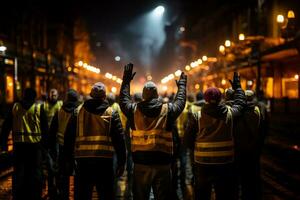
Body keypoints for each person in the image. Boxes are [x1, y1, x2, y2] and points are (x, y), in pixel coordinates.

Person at [119, 63, 187, 200]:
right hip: (162, 165)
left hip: (140, 165)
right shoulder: (167, 110)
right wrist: (182, 87)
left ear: (143, 95)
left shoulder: (133, 110)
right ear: (156, 95)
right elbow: (180, 103)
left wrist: (126, 81)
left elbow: (123, 100)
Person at [184, 72, 245, 200]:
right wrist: (238, 88)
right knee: (223, 194)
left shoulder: (197, 116)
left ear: (205, 99)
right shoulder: (229, 113)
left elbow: (188, 141)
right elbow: (240, 104)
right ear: (220, 98)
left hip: (202, 163)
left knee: (202, 194)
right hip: (225, 162)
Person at [66, 82, 126, 200]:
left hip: (83, 163)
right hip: (105, 163)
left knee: (83, 195)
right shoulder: (111, 113)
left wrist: (68, 159)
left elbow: (69, 137)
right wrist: (121, 161)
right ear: (104, 96)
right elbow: (119, 139)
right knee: (106, 195)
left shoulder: (78, 112)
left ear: (90, 95)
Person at [0, 88, 48, 200]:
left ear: (23, 95)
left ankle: (19, 195)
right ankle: (34, 195)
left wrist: (3, 143)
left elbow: (6, 126)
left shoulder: (15, 107)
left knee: (19, 172)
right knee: (35, 172)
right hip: (35, 147)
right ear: (35, 96)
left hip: (19, 146)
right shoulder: (38, 108)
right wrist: (45, 146)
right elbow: (45, 129)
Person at [48, 89, 81, 200]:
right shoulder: (80, 111)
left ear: (67, 98)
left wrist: (51, 149)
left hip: (62, 149)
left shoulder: (60, 111)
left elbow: (52, 132)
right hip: (78, 150)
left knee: (63, 176)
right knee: (78, 176)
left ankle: (64, 196)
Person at [234, 90, 262, 200]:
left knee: (243, 175)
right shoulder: (257, 109)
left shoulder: (240, 111)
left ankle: (245, 194)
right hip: (253, 146)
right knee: (253, 174)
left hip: (241, 147)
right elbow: (262, 126)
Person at [42, 88, 63, 199]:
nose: (53, 96)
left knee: (57, 163)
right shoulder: (44, 106)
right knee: (49, 164)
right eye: (51, 94)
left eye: (54, 95)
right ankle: (51, 188)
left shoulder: (60, 104)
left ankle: (57, 186)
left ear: (57, 95)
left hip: (58, 138)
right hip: (48, 138)